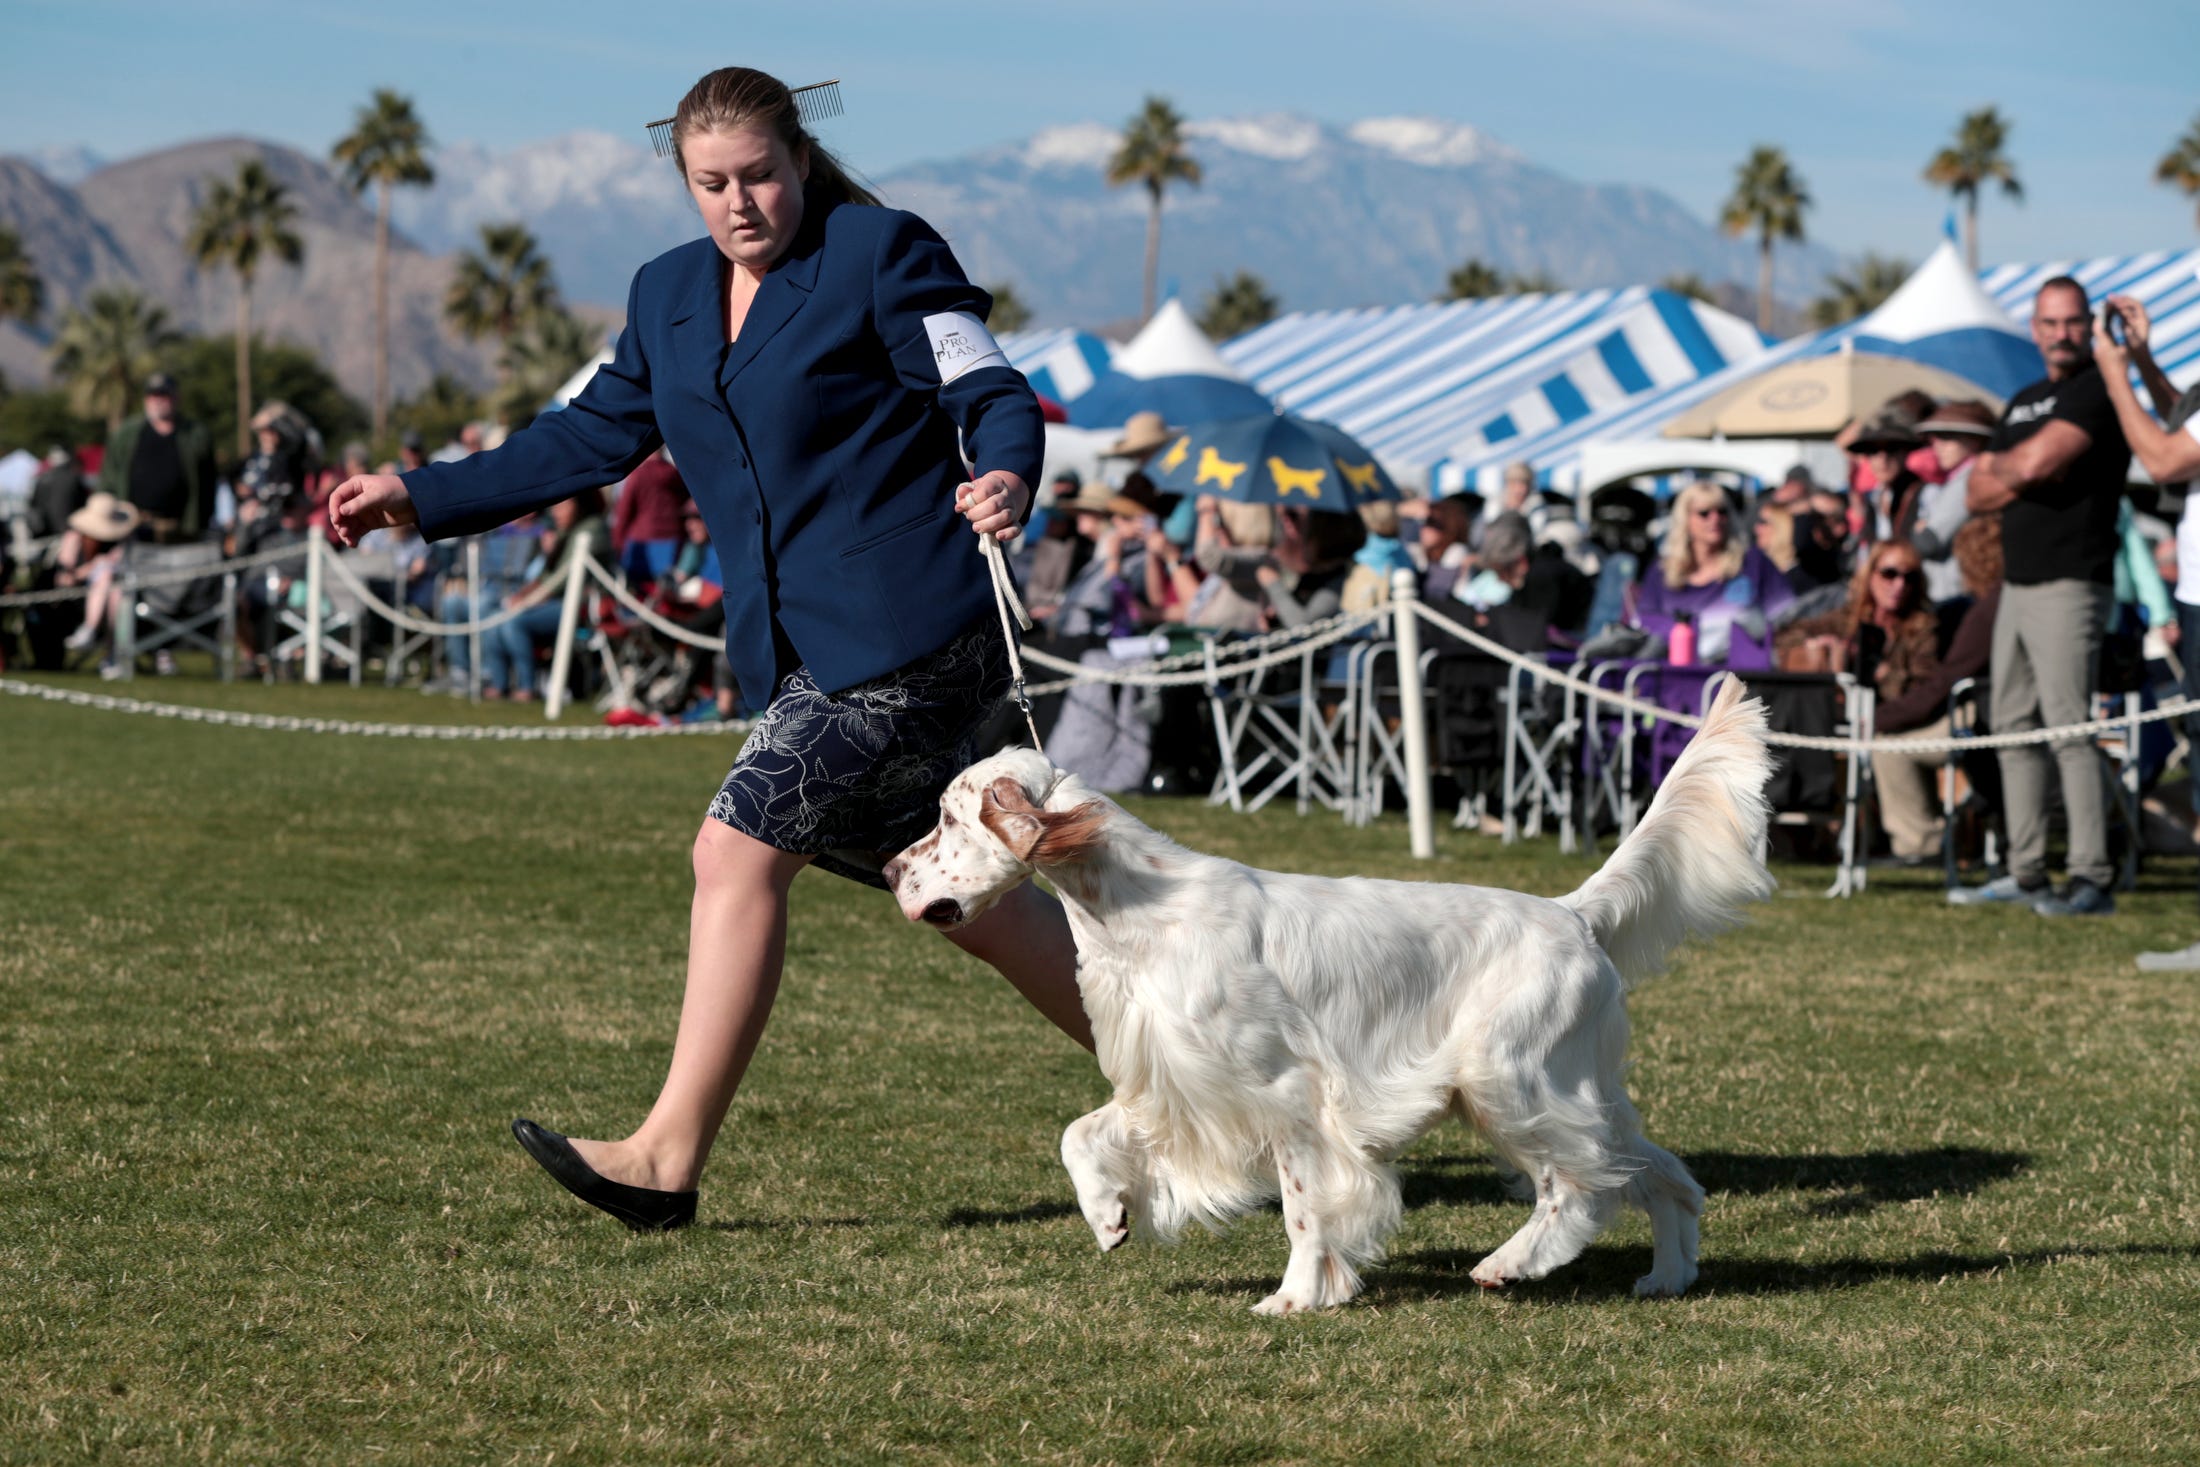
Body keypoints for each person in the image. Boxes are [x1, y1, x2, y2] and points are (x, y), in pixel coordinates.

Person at [326, 65, 1085, 1229]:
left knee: (732, 855)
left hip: (910, 630)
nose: (740, 204)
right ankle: (1223, 1085)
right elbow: (586, 435)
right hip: (792, 652)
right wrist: (419, 495)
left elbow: (987, 385)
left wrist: (1004, 472)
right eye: (710, 184)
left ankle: (662, 1161)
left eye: (762, 176)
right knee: (963, 897)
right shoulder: (666, 294)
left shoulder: (881, 252)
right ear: (682, 181)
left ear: (800, 161)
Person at [1951, 277, 2132, 917]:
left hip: (2071, 581)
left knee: (2069, 727)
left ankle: (2090, 879)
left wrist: (2014, 467)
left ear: (2089, 324)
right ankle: (2026, 873)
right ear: (2034, 327)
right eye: (2049, 323)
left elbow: (2022, 470)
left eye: (2072, 322)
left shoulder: (2099, 391)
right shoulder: (2025, 398)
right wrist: (2018, 466)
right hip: (2017, 585)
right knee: (2011, 729)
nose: (2061, 333)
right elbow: (1976, 492)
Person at [1786, 538, 1947, 863]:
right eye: (1889, 574)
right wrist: (1823, 646)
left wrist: (1884, 675)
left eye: (1909, 577)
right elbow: (1787, 635)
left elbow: (1921, 689)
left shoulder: (1924, 627)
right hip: (1840, 721)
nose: (1898, 585)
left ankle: (1915, 846)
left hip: (1895, 721)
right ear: (1870, 575)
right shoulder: (1848, 619)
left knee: (1884, 744)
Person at [1633, 481, 1795, 667]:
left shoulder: (1753, 562)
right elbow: (1644, 624)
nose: (1715, 519)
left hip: (1742, 680)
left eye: (1722, 511)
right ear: (1685, 520)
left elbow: (1788, 617)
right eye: (1704, 513)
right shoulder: (1662, 571)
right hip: (1677, 680)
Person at [479, 489, 609, 700]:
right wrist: (519, 597)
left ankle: (526, 686)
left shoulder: (592, 529)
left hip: (580, 607)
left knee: (513, 622)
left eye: (562, 506)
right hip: (553, 603)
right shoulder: (567, 530)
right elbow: (544, 576)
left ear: (580, 505)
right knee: (496, 617)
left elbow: (561, 580)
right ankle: (499, 683)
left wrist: (525, 603)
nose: (555, 513)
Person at [98, 371, 218, 545]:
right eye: (152, 395)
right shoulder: (126, 434)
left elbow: (208, 484)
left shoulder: (195, 435)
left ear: (176, 398)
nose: (158, 401)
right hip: (133, 528)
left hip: (180, 530)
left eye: (164, 395)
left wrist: (202, 522)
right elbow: (108, 479)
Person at [1910, 401, 1994, 603]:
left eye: (1948, 437)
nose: (1937, 445)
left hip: (1952, 592)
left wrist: (1917, 529)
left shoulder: (1968, 479)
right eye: (1935, 438)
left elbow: (1927, 543)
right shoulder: (1961, 478)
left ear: (1975, 441)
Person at [611, 446, 687, 582]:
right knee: (660, 589)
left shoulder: (638, 475)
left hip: (641, 539)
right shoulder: (675, 475)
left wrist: (617, 541)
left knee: (635, 589)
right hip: (671, 539)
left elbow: (624, 511)